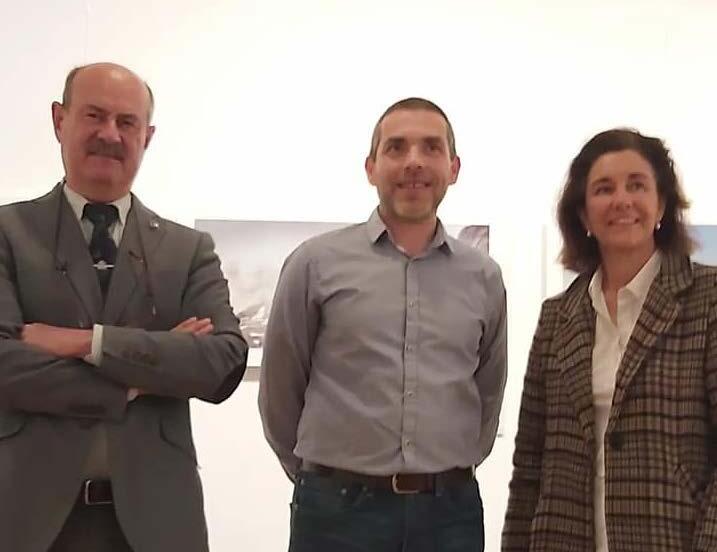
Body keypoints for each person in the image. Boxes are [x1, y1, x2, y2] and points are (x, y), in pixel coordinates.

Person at [0, 63, 248, 552]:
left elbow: (222, 363)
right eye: (95, 115)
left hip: (158, 522)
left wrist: (88, 343)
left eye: (127, 122)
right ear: (59, 120)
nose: (110, 134)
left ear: (147, 137)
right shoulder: (8, 234)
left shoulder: (188, 249)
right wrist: (144, 377)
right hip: (26, 518)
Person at [259, 97, 507, 551]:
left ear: (453, 168)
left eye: (431, 147)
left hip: (449, 514)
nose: (414, 161)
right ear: (371, 167)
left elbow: (487, 393)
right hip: (335, 513)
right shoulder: (314, 264)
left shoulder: (484, 278)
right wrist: (321, 479)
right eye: (396, 148)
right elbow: (280, 391)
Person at [502, 128, 717, 551]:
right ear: (583, 216)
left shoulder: (708, 299)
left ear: (661, 205)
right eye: (604, 189)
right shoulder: (558, 317)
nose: (622, 200)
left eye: (637, 185)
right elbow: (529, 463)